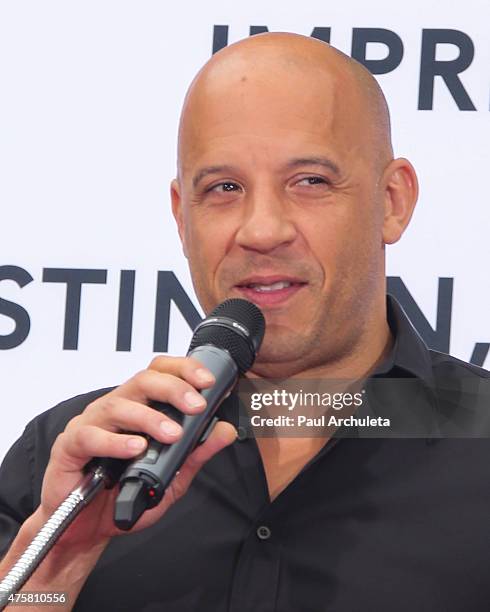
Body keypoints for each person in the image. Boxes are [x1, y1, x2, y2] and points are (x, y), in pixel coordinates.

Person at [0, 32, 488, 612]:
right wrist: (62, 557)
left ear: (391, 201)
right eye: (224, 188)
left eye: (310, 182)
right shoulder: (75, 460)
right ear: (182, 217)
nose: (261, 230)